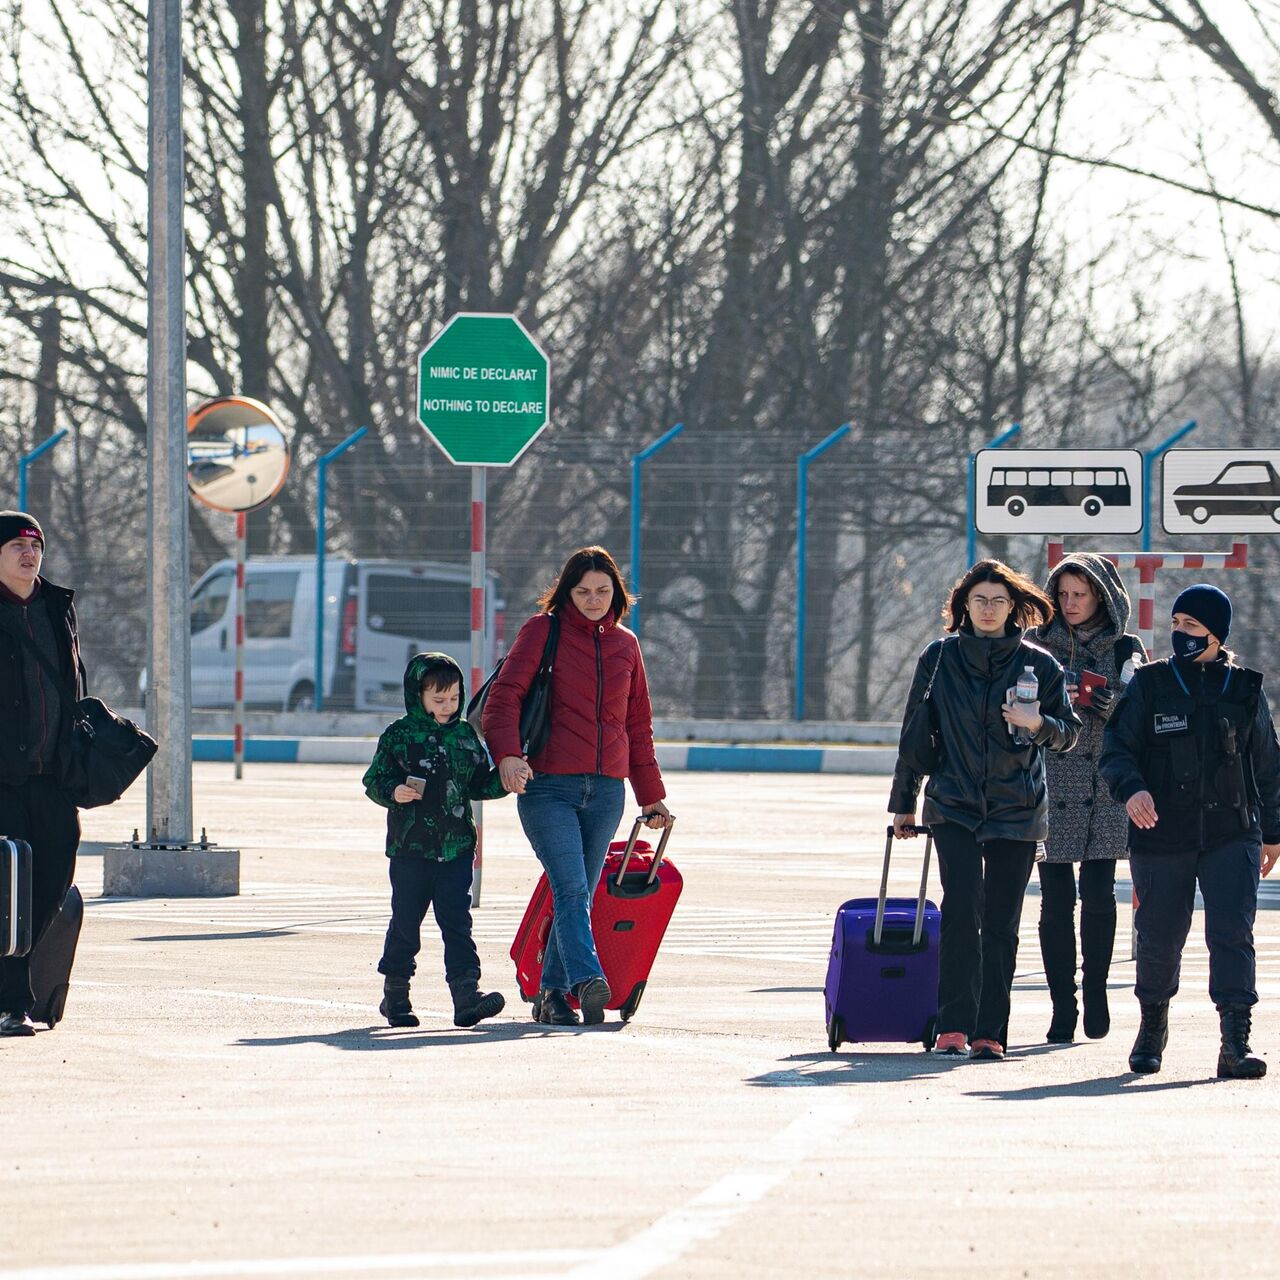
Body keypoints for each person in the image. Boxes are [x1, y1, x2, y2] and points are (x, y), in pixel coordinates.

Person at [889, 560, 1080, 1061]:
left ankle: (989, 1031)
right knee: (960, 910)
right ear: (963, 606)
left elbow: (1069, 735)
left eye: (998, 600)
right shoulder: (938, 659)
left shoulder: (1041, 665)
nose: (989, 609)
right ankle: (952, 1023)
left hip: (1017, 808)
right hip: (953, 802)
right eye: (980, 600)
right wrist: (903, 805)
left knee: (1001, 921)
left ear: (1014, 606)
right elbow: (914, 733)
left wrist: (1038, 723)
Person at [483, 546, 671, 1027]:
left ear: (618, 595)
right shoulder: (542, 631)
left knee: (580, 893)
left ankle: (550, 996)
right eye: (583, 591)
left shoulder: (626, 644)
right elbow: (504, 697)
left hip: (606, 791)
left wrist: (651, 795)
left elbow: (637, 723)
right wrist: (507, 754)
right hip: (547, 787)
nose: (593, 600)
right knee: (570, 888)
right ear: (566, 592)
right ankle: (587, 981)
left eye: (603, 591)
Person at [1100, 585, 1280, 1078]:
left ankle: (1235, 1044)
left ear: (1217, 635)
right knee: (1158, 939)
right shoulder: (1150, 684)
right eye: (1176, 623)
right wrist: (1132, 789)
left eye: (1192, 627)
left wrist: (1273, 833)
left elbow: (1268, 766)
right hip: (1161, 834)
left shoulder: (1244, 689)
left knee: (1232, 936)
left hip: (1231, 833)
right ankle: (1151, 1030)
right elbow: (1115, 748)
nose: (1181, 633)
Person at [1032, 554, 1146, 1043]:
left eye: (1080, 594)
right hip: (1050, 784)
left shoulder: (1126, 647)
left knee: (1099, 896)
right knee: (1054, 904)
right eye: (1064, 595)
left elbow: (1143, 709)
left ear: (1100, 595)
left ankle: (1096, 989)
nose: (1071, 604)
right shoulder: (1036, 643)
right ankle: (1062, 1003)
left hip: (1104, 787)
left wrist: (1109, 703)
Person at [363, 652, 510, 1030]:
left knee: (457, 924)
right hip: (410, 851)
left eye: (454, 699)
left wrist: (506, 782)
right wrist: (393, 791)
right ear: (418, 695)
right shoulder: (398, 735)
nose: (448, 707)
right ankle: (396, 994)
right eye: (438, 700)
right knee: (406, 922)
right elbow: (373, 781)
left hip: (457, 850)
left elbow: (479, 784)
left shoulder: (465, 737)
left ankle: (466, 996)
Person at [0, 511, 82, 1037]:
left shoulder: (57, 607)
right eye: (16, 546)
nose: (29, 554)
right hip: (2, 777)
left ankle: (15, 985)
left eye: (36, 546)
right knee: (6, 884)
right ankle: (12, 999)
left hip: (52, 775)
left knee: (54, 875)